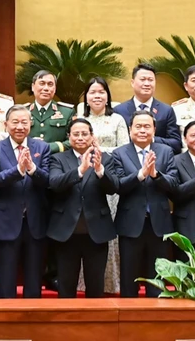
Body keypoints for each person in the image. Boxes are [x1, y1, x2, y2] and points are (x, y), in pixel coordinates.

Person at [47, 119, 118, 298]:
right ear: (69, 137)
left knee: (95, 285)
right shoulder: (58, 158)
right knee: (66, 284)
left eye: (84, 134)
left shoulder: (105, 158)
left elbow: (114, 188)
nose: (80, 138)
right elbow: (55, 184)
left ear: (92, 136)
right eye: (75, 134)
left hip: (96, 231)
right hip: (66, 232)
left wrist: (100, 170)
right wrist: (80, 170)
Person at [110, 111, 178, 297]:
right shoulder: (119, 153)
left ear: (154, 129)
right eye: (138, 126)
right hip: (130, 223)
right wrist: (141, 174)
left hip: (160, 223)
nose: (142, 130)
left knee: (157, 279)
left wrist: (155, 174)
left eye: (147, 126)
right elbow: (118, 186)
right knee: (129, 278)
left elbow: (173, 184)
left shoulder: (165, 151)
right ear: (130, 129)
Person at [0, 105, 50, 299]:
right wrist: (18, 170)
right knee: (5, 280)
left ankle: (32, 321)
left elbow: (48, 180)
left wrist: (32, 169)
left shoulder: (42, 147)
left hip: (35, 221)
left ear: (31, 124)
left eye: (24, 122)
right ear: (6, 125)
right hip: (7, 221)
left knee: (33, 279)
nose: (20, 126)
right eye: (15, 122)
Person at [76, 77, 128, 294]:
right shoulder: (79, 118)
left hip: (107, 180)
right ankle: (82, 283)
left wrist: (101, 152)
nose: (97, 96)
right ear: (86, 98)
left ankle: (111, 283)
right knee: (83, 232)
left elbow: (125, 150)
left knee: (107, 235)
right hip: (83, 181)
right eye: (92, 92)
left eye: (101, 92)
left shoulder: (117, 119)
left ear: (107, 96)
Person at [112, 63, 180, 154]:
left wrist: (151, 139)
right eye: (143, 79)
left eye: (150, 80)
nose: (147, 83)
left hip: (158, 160)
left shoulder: (166, 110)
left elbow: (176, 144)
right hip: (128, 162)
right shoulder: (119, 110)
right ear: (132, 83)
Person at [26, 70, 74, 155]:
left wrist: (48, 147)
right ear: (33, 87)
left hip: (57, 160)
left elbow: (74, 140)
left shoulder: (67, 112)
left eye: (50, 84)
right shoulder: (23, 111)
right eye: (42, 83)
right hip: (29, 158)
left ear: (55, 89)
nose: (46, 88)